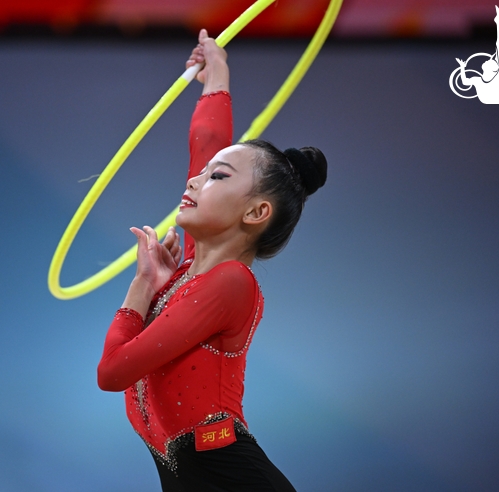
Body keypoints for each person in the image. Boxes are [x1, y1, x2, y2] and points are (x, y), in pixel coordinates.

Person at [97, 29, 327, 491]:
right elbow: (208, 143)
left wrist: (141, 287)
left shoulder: (231, 283)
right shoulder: (187, 273)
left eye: (216, 177)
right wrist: (215, 76)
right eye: (200, 175)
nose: (197, 180)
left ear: (256, 212)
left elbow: (112, 372)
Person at [456, 5, 499, 104]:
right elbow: (465, 82)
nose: (490, 59)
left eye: (493, 61)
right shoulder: (478, 80)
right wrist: (462, 67)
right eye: (493, 60)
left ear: (494, 69)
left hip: (497, 98)